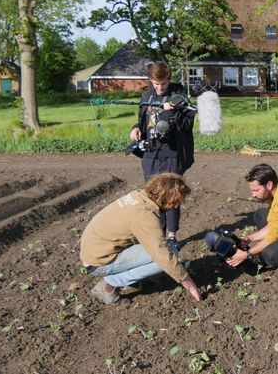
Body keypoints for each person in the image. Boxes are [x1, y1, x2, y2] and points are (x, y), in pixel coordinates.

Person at [79, 173, 201, 305]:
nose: (177, 206)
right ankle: (108, 286)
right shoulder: (145, 216)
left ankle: (131, 281)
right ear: (169, 199)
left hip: (95, 248)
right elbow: (163, 256)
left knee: (160, 253)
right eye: (177, 201)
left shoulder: (138, 195)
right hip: (98, 261)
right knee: (169, 254)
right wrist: (189, 283)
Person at [129, 61, 195, 251]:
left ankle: (172, 235)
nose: (160, 88)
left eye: (163, 84)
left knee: (171, 195)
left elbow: (186, 124)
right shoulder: (146, 96)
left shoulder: (179, 96)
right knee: (153, 195)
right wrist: (135, 129)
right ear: (151, 81)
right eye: (156, 84)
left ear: (169, 79)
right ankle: (158, 231)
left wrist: (172, 111)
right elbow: (141, 120)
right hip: (151, 153)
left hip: (171, 154)